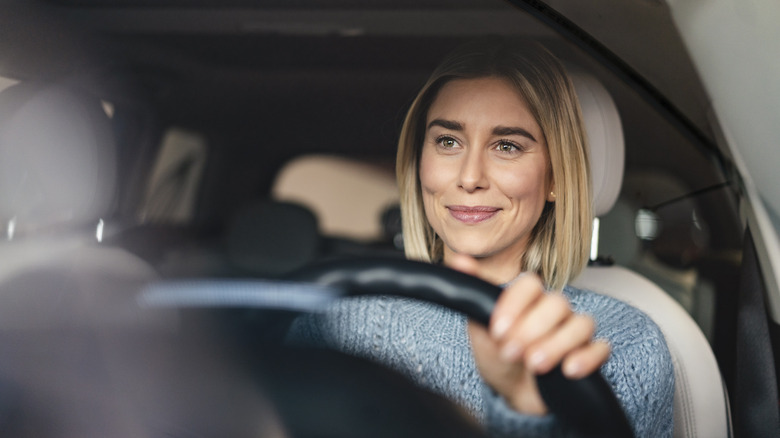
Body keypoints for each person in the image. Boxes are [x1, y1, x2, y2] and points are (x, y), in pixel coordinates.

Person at [289, 39, 674, 437]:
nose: (470, 177)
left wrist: (521, 407)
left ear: (556, 177)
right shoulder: (335, 320)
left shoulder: (626, 345)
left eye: (506, 146)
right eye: (448, 141)